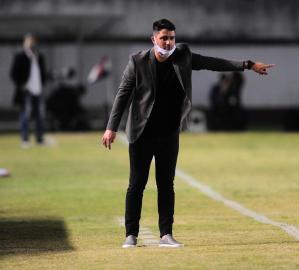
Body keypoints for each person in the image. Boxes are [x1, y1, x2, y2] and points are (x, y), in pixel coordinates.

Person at [101, 19, 275, 248]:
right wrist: (111, 127)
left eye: (172, 37)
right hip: (141, 132)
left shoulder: (182, 54)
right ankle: (130, 235)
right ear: (154, 39)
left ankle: (166, 235)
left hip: (169, 132)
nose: (169, 42)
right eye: (164, 38)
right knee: (136, 185)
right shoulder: (137, 61)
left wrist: (248, 64)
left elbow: (212, 63)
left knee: (166, 184)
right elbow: (123, 94)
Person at [10, 33, 47, 147]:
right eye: (29, 41)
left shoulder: (39, 57)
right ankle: (25, 139)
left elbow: (42, 73)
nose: (31, 44)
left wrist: (42, 84)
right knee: (25, 115)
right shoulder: (20, 56)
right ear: (25, 43)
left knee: (40, 115)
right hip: (26, 91)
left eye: (33, 41)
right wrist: (21, 85)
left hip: (38, 90)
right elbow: (13, 73)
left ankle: (39, 139)